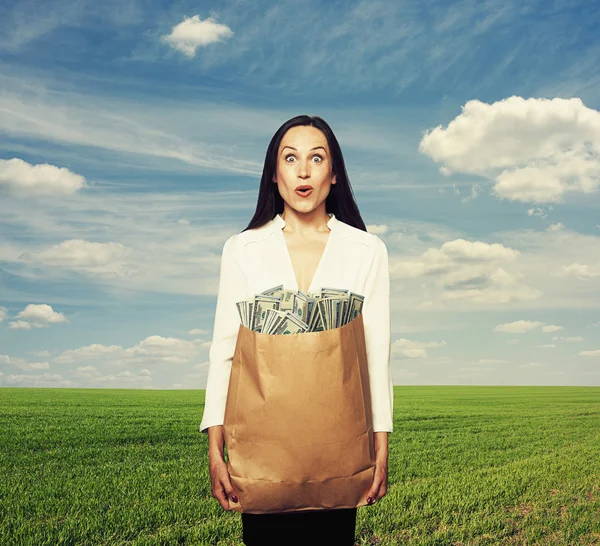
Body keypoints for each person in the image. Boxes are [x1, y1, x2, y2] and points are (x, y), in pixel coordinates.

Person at [200, 115, 394, 545]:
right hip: (263, 456)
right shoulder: (243, 248)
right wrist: (214, 448)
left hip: (338, 455)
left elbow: (376, 356)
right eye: (290, 158)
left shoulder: (367, 250)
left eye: (316, 158)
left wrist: (381, 445)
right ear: (275, 173)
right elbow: (224, 351)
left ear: (334, 173)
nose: (303, 171)